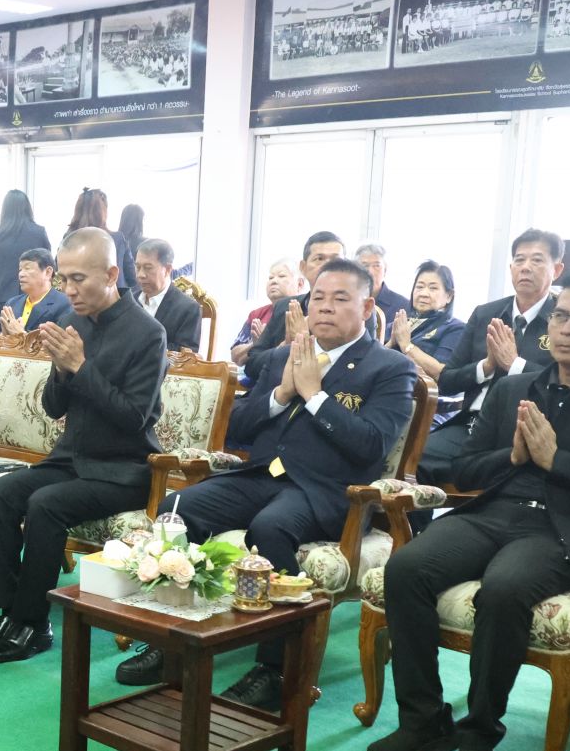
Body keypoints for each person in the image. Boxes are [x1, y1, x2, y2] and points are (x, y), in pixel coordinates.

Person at [366, 271, 570, 751]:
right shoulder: (511, 389)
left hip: (566, 531)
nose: (566, 328)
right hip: (493, 514)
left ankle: (480, 733)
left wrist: (557, 460)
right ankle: (424, 720)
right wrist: (513, 455)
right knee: (407, 566)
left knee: (504, 588)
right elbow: (464, 468)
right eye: (561, 316)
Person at [115, 259, 416, 692]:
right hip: (260, 475)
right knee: (176, 507)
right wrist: (282, 393)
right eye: (318, 298)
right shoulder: (282, 357)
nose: (325, 307)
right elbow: (236, 428)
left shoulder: (390, 368)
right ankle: (171, 641)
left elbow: (371, 444)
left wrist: (314, 395)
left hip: (326, 491)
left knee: (270, 527)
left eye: (340, 299)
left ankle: (274, 668)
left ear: (367, 307)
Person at [0, 228, 166, 663]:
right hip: (72, 459)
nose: (69, 290)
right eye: (64, 279)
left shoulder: (148, 333)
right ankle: (8, 615)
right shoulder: (73, 323)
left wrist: (80, 366)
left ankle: (34, 622)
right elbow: (53, 406)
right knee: (0, 495)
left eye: (79, 279)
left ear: (111, 275)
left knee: (46, 504)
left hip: (122, 470)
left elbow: (134, 417)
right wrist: (60, 370)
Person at [416, 228, 563, 485]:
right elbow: (447, 381)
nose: (525, 267)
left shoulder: (564, 319)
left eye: (537, 260)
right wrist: (485, 366)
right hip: (470, 426)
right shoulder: (486, 314)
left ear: (557, 270)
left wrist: (514, 364)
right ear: (511, 268)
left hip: (523, 433)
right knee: (412, 461)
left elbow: (564, 385)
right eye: (519, 260)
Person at [241, 231, 347, 382]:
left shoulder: (355, 311)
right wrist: (286, 346)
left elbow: (361, 367)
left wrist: (302, 347)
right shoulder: (284, 307)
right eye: (319, 259)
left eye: (336, 259)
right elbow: (252, 365)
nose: (328, 266)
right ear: (303, 268)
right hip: (276, 393)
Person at [385, 260, 466, 382]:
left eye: (433, 288)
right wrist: (391, 343)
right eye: (419, 287)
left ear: (449, 296)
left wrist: (407, 345)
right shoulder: (400, 323)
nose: (424, 293)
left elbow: (441, 372)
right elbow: (372, 361)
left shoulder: (455, 328)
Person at [0, 190, 52, 326]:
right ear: (27, 208)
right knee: (32, 339)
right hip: (35, 299)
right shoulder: (39, 232)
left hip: (1, 298)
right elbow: (47, 266)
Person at [131, 237, 202, 353]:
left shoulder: (188, 309)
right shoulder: (130, 301)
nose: (140, 275)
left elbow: (186, 356)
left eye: (148, 268)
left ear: (167, 269)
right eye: (137, 267)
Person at [231, 259, 305, 363]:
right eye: (271, 278)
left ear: (300, 284)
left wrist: (265, 342)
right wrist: (257, 344)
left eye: (281, 276)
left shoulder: (306, 311)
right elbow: (235, 357)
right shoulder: (257, 314)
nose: (273, 281)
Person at [65, 188, 136, 293]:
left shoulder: (68, 239)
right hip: (112, 297)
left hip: (75, 297)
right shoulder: (117, 239)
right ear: (103, 211)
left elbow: (58, 275)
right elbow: (132, 276)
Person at [0, 248, 71, 334]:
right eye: (20, 270)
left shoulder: (64, 304)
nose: (21, 274)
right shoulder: (12, 303)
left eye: (27, 268)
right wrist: (3, 336)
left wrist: (20, 336)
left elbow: (61, 341)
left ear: (48, 272)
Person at [356, 242, 412, 322]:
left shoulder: (403, 306)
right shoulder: (346, 300)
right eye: (365, 265)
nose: (370, 272)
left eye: (377, 265)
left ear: (385, 270)